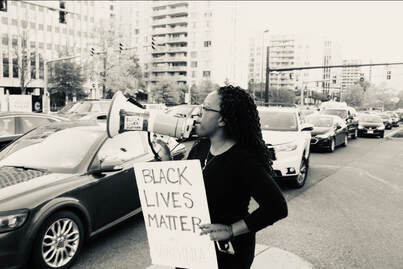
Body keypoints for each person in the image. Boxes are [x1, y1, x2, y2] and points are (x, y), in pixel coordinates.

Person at [163, 85, 288, 269]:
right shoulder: (201, 148)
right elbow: (186, 190)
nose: (198, 114)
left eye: (205, 109)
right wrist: (166, 163)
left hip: (228, 255)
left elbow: (277, 207)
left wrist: (231, 230)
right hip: (195, 248)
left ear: (222, 119)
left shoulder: (244, 160)